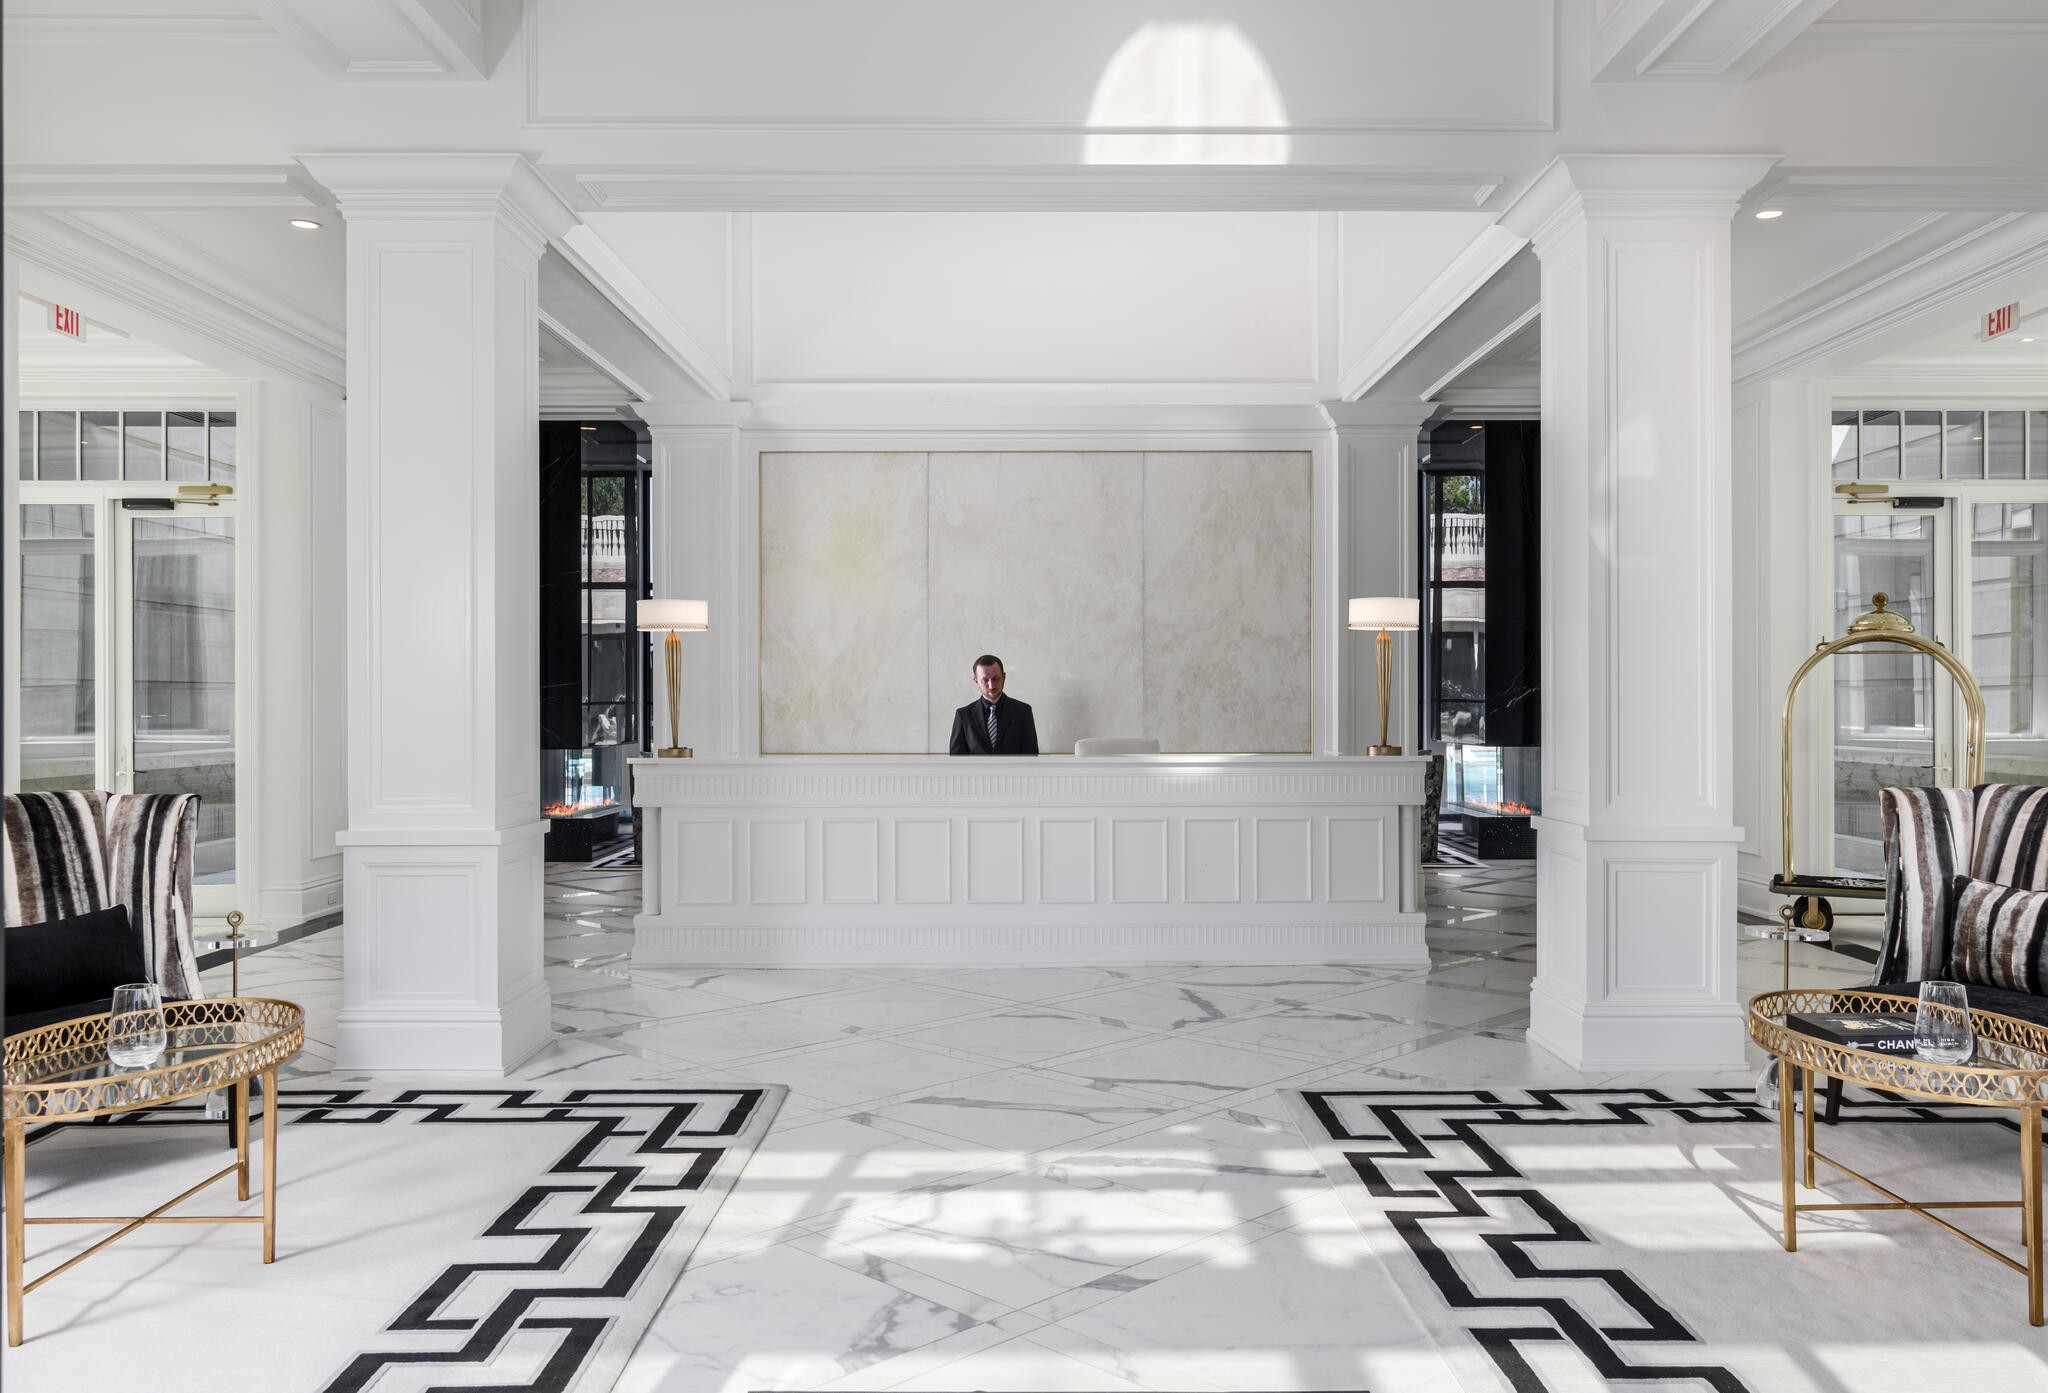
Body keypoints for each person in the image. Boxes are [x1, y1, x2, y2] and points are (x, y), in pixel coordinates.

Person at [948, 654, 1039, 755]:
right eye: (985, 680)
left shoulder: (1023, 712)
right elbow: (956, 761)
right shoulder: (963, 715)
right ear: (976, 681)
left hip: (1013, 771)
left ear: (1004, 677)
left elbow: (1031, 755)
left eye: (995, 679)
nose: (991, 685)